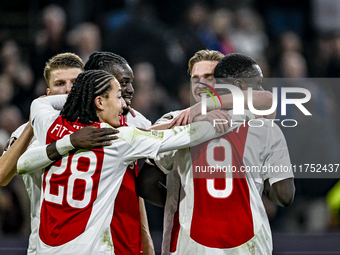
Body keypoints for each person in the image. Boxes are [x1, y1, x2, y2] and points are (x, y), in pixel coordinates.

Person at [17, 69, 232, 254]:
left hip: (48, 248)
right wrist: (230, 117)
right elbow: (186, 136)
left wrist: (69, 140)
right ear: (99, 101)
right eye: (118, 96)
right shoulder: (118, 139)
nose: (123, 105)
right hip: (90, 248)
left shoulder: (49, 124)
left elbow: (25, 156)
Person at [153, 53, 295, 254]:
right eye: (195, 78)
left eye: (209, 77)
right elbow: (284, 195)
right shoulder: (180, 119)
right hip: (242, 242)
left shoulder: (179, 123)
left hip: (194, 241)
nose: (201, 83)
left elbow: (146, 179)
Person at [0, 53, 117, 255]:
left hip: (94, 247)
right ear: (48, 93)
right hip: (44, 246)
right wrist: (32, 123)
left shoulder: (104, 130)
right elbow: (2, 176)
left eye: (75, 82)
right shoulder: (27, 133)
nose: (69, 90)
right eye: (60, 84)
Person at [84, 51, 154, 255]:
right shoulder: (71, 128)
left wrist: (146, 236)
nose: (130, 90)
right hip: (87, 239)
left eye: (130, 83)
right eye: (123, 83)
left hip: (127, 237)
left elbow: (134, 184)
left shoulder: (136, 122)